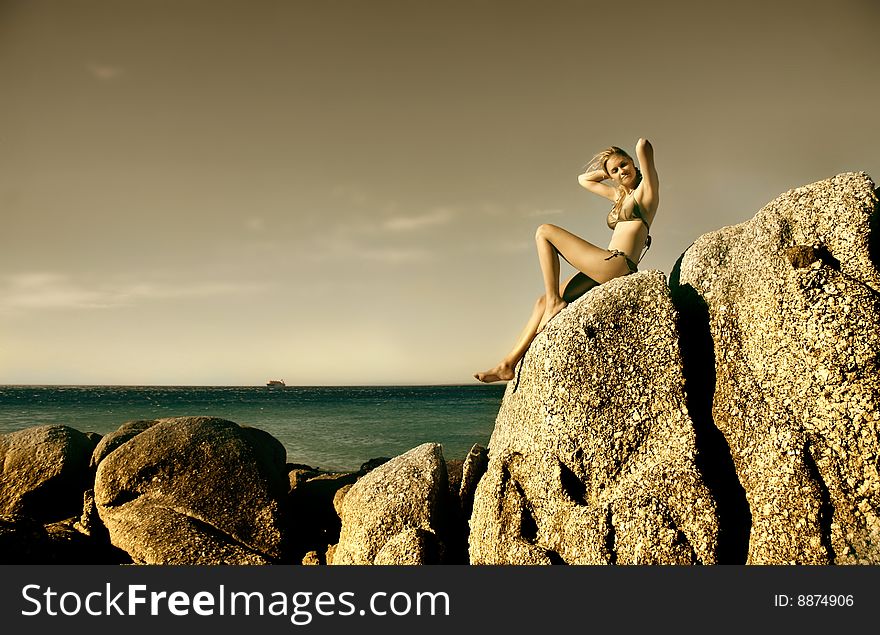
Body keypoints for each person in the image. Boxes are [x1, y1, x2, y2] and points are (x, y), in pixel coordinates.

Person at [473, 138, 658, 383]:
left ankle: (555, 301)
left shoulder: (647, 191)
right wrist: (608, 172)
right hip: (605, 265)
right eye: (615, 170)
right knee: (540, 302)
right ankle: (507, 364)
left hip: (618, 263)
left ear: (633, 164)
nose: (621, 171)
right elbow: (584, 180)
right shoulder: (619, 196)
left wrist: (631, 161)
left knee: (544, 231)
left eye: (624, 165)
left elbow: (643, 146)